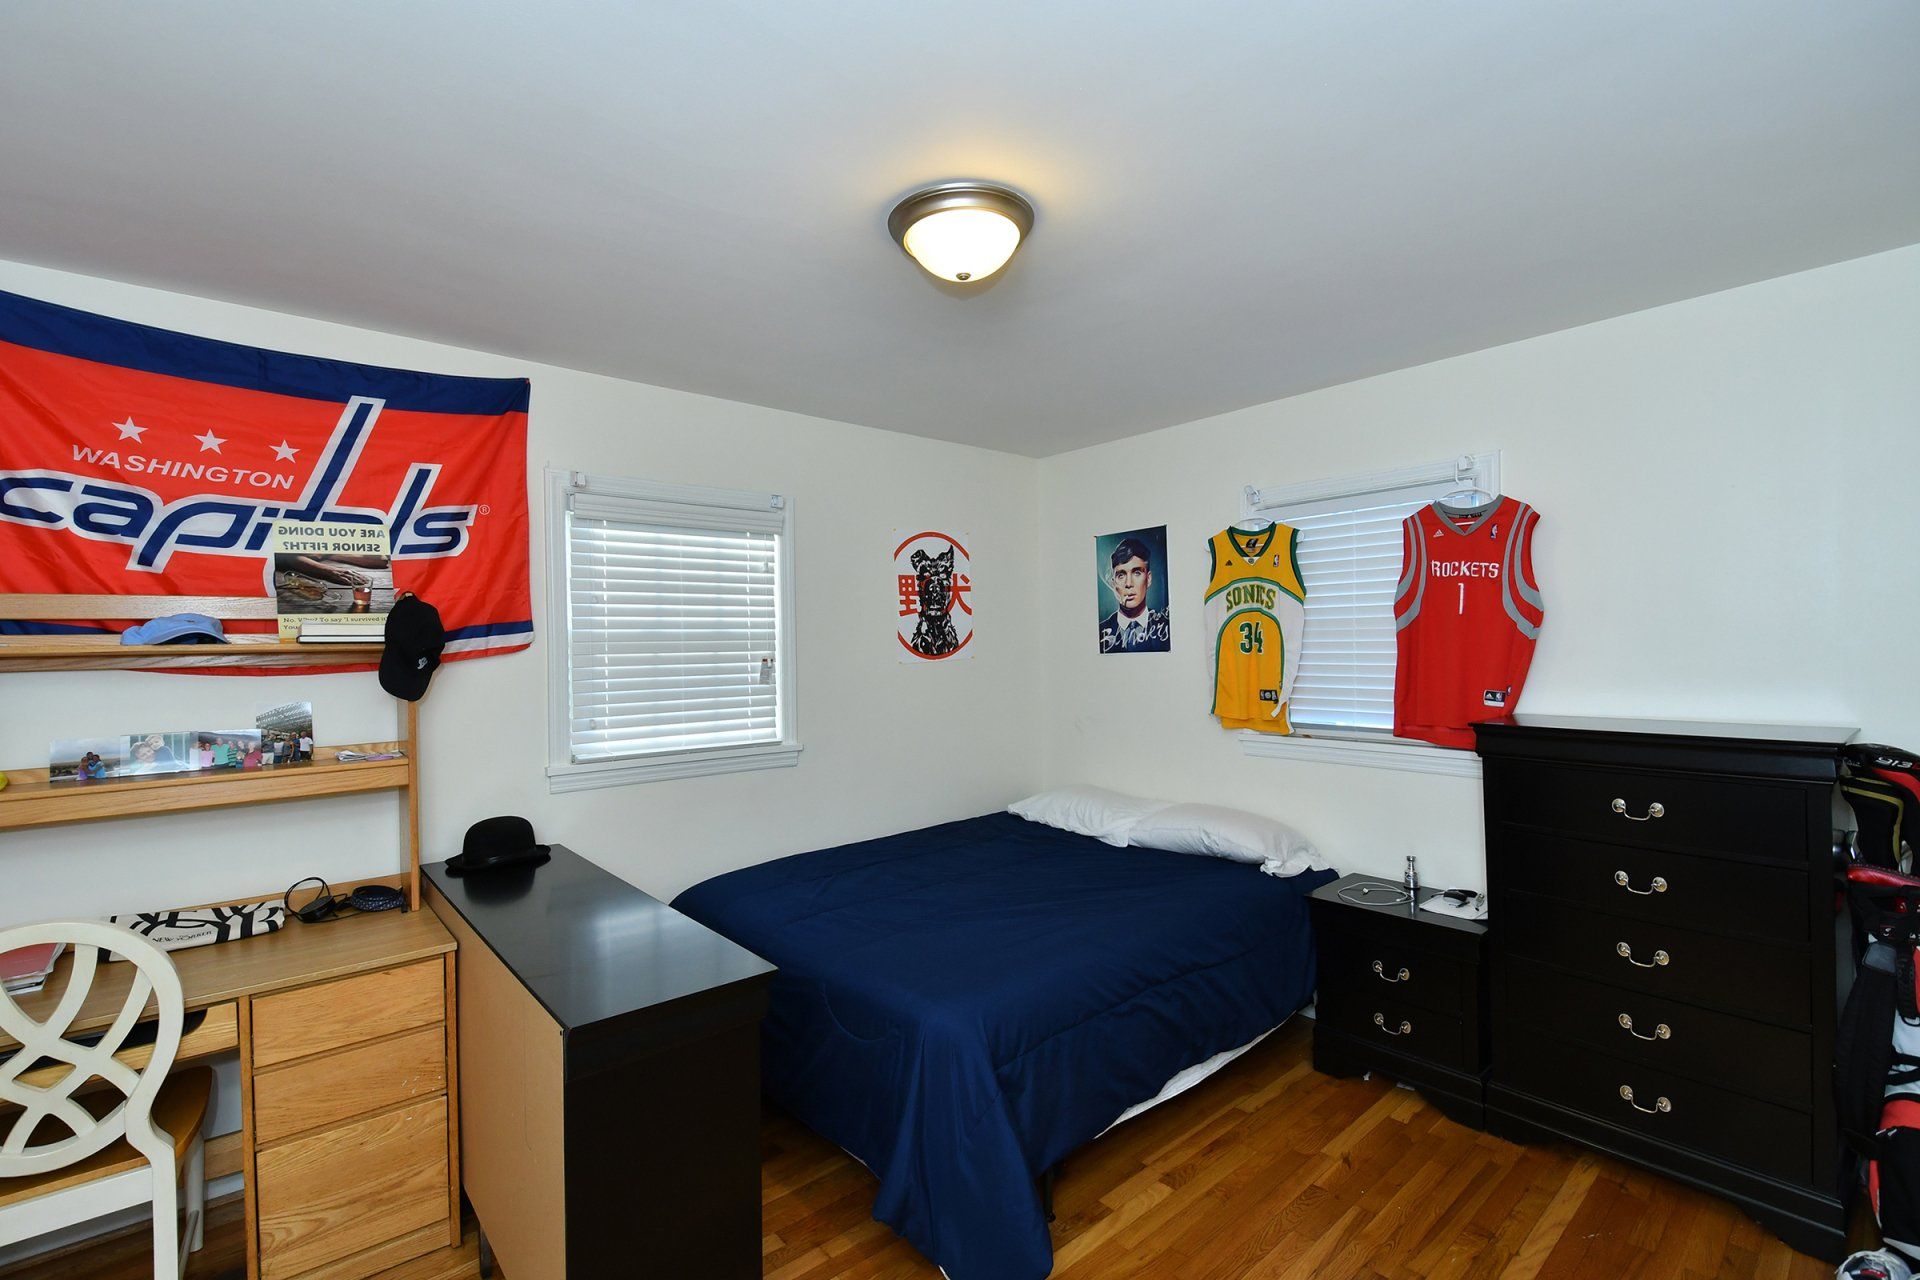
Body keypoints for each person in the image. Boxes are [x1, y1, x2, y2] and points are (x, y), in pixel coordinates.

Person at [1099, 536, 1171, 653]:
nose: (1128, 584)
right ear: (1113, 584)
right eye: (1121, 575)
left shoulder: (1167, 629)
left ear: (1148, 579)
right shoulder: (1100, 632)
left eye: (1137, 573)